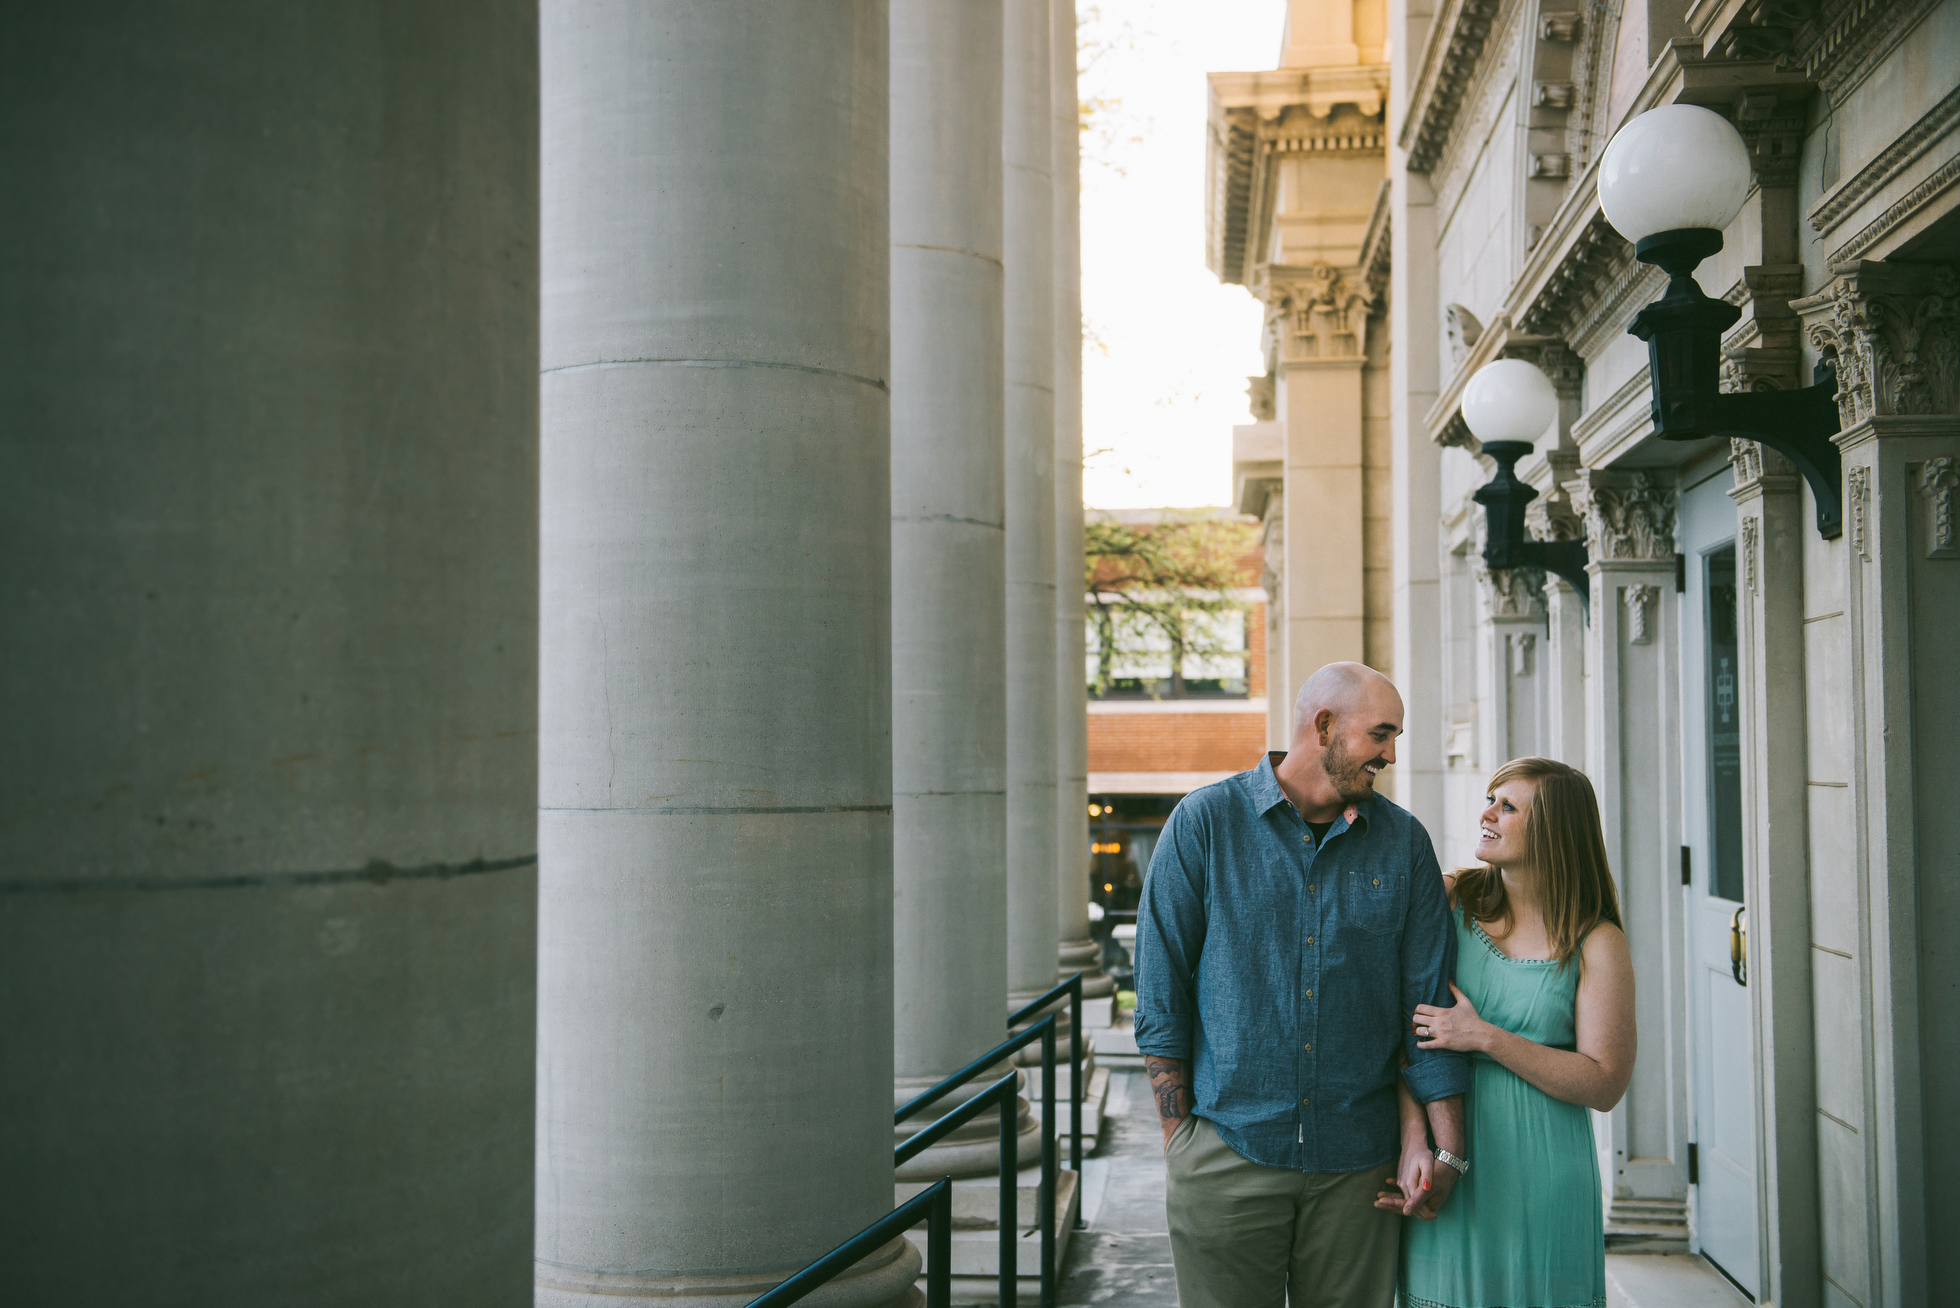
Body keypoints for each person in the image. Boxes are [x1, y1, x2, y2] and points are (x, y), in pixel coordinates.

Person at [1133, 662, 1469, 1308]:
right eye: (1380, 734)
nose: (1390, 755)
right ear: (1324, 726)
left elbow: (1426, 1007)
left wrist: (1447, 1148)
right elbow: (1159, 990)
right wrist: (1181, 1142)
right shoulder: (1205, 823)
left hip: (1360, 1171)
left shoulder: (1404, 843)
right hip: (1228, 1156)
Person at [1380, 756, 1636, 1308]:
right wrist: (1415, 1138)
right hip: (1446, 1160)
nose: (1487, 814)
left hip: (1545, 1170)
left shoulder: (1596, 940)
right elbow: (1401, 1030)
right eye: (1490, 799)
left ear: (1553, 831)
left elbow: (1605, 1083)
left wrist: (1485, 1037)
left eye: (1508, 806)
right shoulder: (1449, 899)